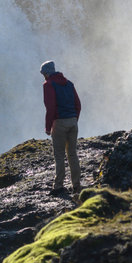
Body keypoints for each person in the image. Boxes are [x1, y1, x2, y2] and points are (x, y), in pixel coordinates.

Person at [40, 60, 82, 195]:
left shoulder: (48, 85)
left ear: (47, 73)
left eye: (43, 74)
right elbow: (78, 104)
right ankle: (76, 185)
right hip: (73, 122)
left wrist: (48, 127)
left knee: (59, 155)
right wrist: (74, 119)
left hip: (59, 123)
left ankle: (58, 186)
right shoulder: (69, 83)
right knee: (72, 154)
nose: (43, 77)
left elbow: (50, 108)